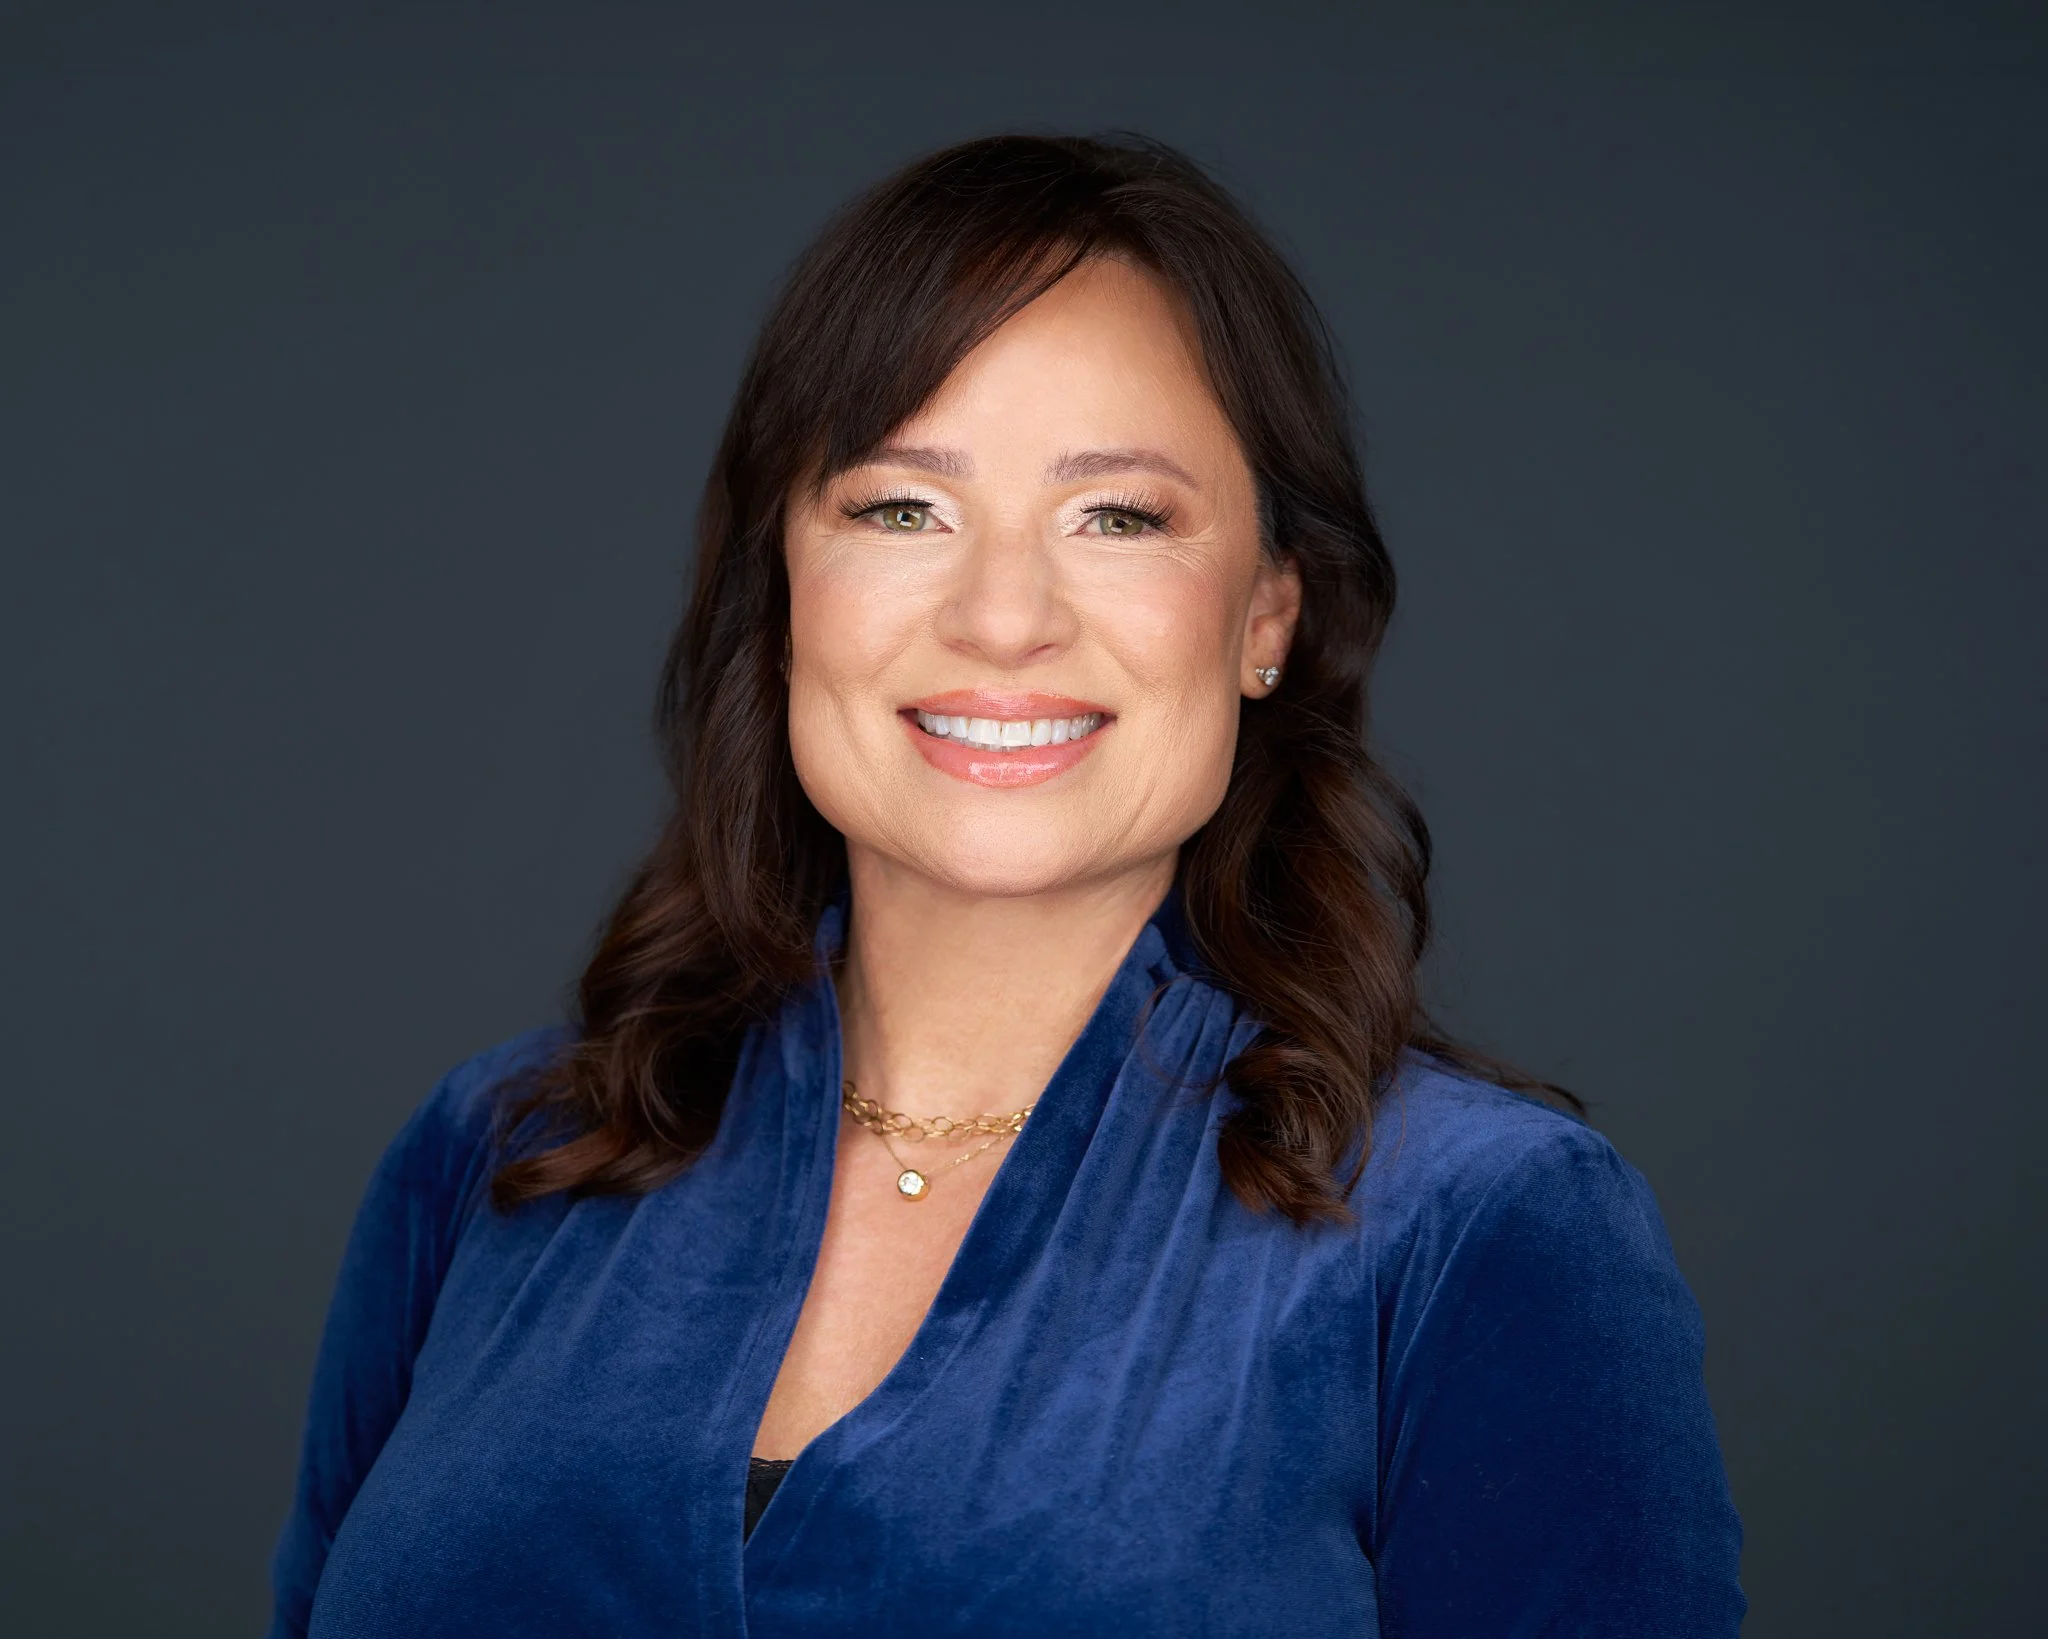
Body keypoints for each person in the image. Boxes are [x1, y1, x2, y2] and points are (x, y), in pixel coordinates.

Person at [266, 133, 1745, 1637]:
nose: (1002, 617)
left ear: (1266, 616)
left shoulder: (1483, 1227)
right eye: (901, 508)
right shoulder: (495, 1154)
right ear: (783, 593)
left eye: (1119, 516)